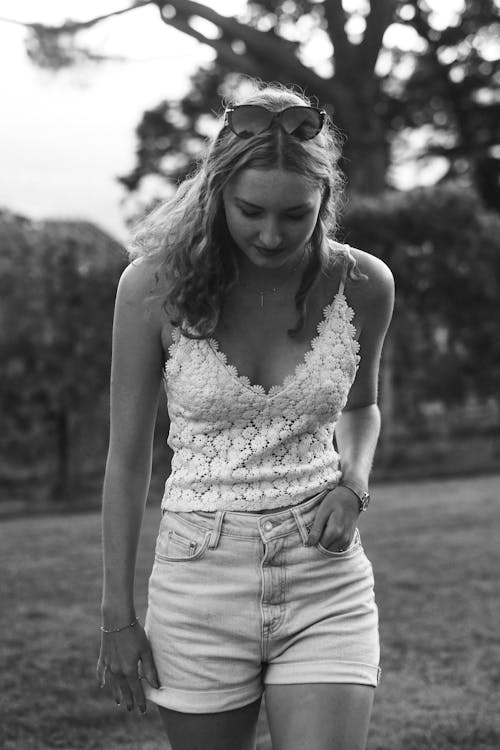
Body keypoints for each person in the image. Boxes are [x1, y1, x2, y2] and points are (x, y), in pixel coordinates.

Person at [96, 80, 394, 750]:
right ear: (216, 192)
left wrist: (353, 484)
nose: (270, 233)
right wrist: (117, 612)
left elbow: (364, 406)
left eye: (296, 214)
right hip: (198, 573)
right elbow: (126, 456)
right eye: (250, 209)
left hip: (325, 572)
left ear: (325, 197)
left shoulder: (365, 283)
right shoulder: (152, 289)